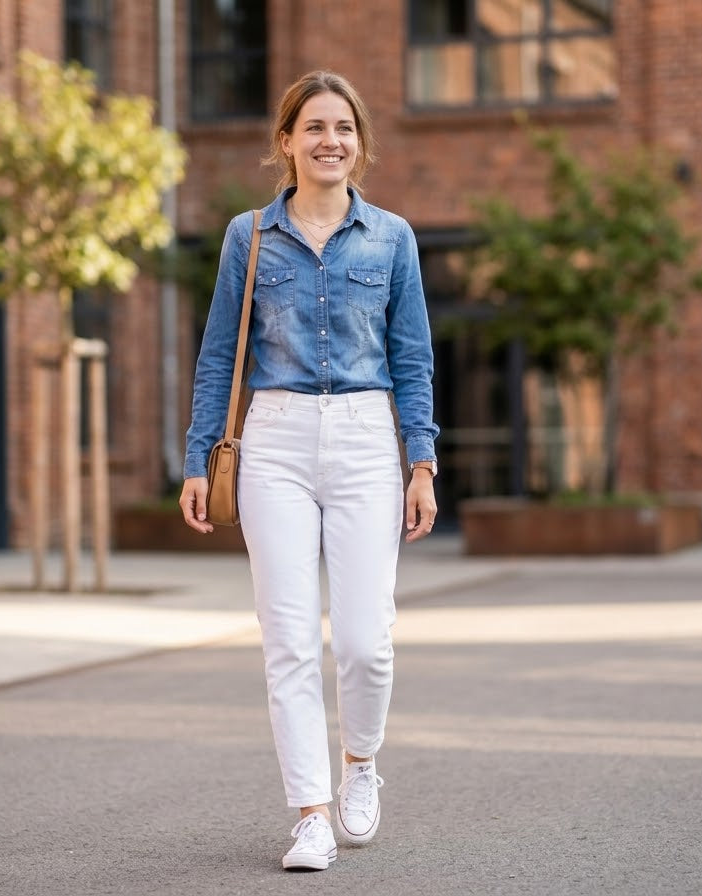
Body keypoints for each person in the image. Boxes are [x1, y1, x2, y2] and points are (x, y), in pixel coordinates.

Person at [179, 69, 439, 872]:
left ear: (360, 144)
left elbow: (413, 358)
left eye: (345, 128)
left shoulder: (392, 238)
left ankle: (361, 764)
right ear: (285, 142)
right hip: (277, 442)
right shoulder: (247, 236)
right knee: (289, 640)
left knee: (366, 643)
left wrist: (420, 461)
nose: (331, 140)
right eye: (315, 127)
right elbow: (220, 355)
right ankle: (311, 814)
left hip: (365, 439)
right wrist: (197, 459)